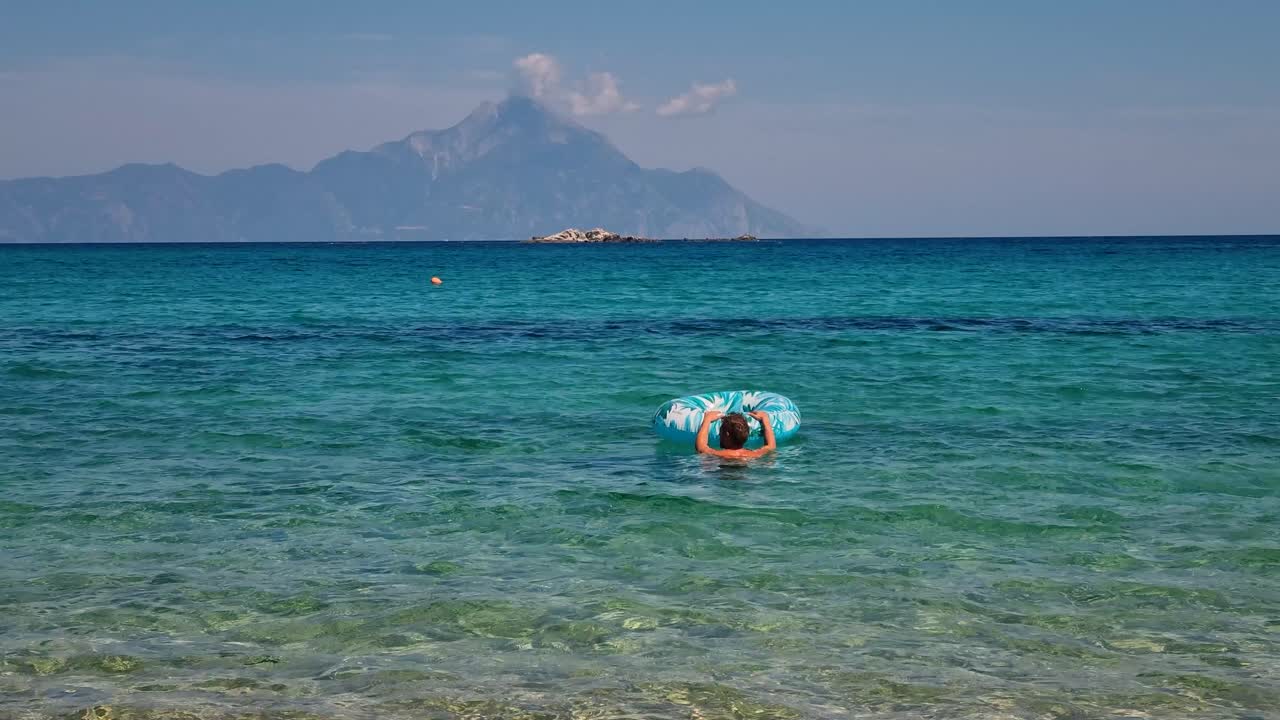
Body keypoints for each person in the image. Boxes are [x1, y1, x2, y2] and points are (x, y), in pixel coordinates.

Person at [695, 410, 776, 459]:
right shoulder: (754, 455)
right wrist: (765, 419)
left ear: (727, 434)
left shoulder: (719, 454)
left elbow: (701, 448)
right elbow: (770, 446)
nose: (719, 434)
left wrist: (707, 419)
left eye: (721, 431)